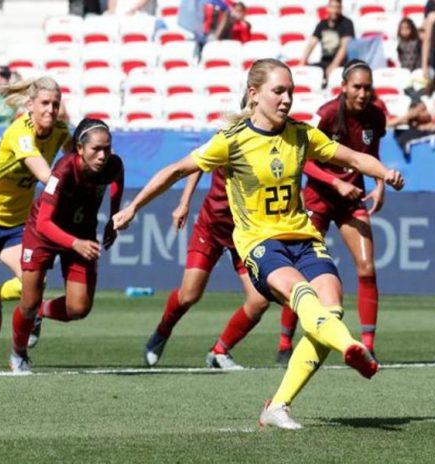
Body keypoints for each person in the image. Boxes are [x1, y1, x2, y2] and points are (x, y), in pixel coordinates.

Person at [112, 58, 404, 429]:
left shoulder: (301, 134)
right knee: (302, 297)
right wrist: (133, 207)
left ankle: (278, 406)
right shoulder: (232, 140)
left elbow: (352, 157)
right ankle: (350, 347)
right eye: (278, 91)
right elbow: (177, 170)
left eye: (290, 92)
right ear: (254, 94)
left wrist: (385, 173)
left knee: (331, 311)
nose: (287, 99)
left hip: (303, 237)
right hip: (261, 243)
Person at [277, 60, 386, 363]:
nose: (363, 93)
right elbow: (303, 158)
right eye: (357, 87)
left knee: (366, 267)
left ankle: (368, 344)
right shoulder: (325, 114)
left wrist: (380, 184)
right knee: (300, 273)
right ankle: (284, 342)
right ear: (344, 87)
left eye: (367, 88)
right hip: (319, 199)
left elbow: (372, 155)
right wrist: (335, 182)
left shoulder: (375, 115)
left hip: (351, 199)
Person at [8, 118, 123, 374]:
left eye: (107, 148)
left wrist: (114, 216)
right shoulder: (62, 172)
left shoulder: (112, 164)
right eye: (96, 149)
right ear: (79, 148)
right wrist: (75, 243)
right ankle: (18, 352)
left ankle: (41, 312)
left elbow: (118, 175)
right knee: (28, 302)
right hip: (43, 234)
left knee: (79, 308)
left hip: (82, 233)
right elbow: (44, 223)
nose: (103, 155)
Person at [143, 168, 275, 370]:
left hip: (247, 233)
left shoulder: (272, 151)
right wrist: (184, 202)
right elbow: (195, 163)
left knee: (259, 301)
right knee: (189, 295)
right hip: (212, 227)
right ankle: (163, 331)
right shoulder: (227, 146)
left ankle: (219, 352)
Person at [0, 76, 71, 340]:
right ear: (30, 105)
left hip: (14, 223)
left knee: (35, 283)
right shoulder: (20, 132)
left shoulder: (60, 131)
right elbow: (44, 174)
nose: (50, 110)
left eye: (55, 104)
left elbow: (75, 157)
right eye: (44, 103)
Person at [300, 0, 355, 79]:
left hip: (341, 64)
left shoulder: (347, 23)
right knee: (308, 72)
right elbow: (311, 45)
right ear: (327, 8)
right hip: (324, 62)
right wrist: (301, 64)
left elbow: (344, 47)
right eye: (332, 7)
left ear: (341, 9)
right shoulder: (322, 24)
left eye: (337, 7)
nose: (335, 10)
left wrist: (334, 66)